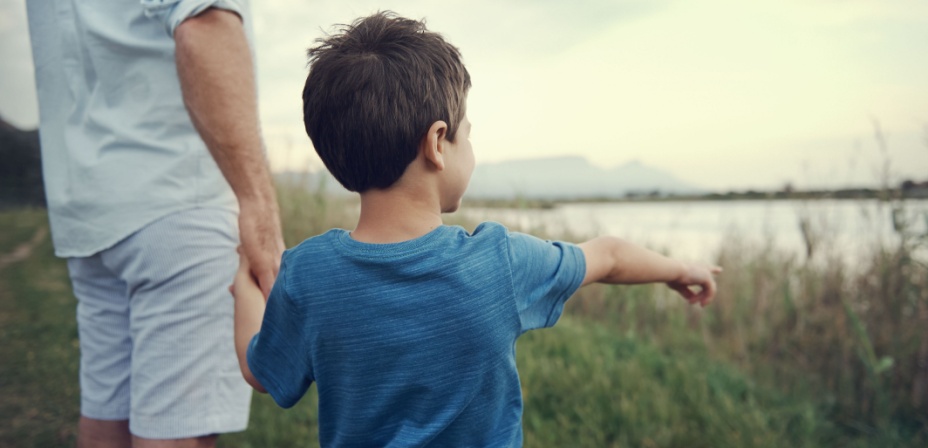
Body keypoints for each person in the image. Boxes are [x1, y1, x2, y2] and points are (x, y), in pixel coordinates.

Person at [233, 11, 720, 447]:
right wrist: (679, 268)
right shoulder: (498, 263)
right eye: (468, 134)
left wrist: (244, 284)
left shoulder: (308, 276)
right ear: (438, 143)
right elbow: (609, 254)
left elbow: (259, 370)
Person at [26, 1, 284, 447]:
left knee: (109, 422)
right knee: (177, 433)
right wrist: (258, 203)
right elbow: (202, 21)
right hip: (179, 194)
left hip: (88, 200)